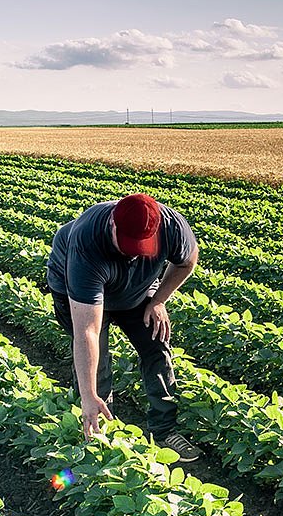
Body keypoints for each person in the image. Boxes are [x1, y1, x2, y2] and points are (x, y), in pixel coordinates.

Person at [46, 192, 203, 462]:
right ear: (113, 224)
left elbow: (187, 261)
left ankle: (164, 430)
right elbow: (88, 332)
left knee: (157, 346)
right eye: (129, 244)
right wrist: (88, 395)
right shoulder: (87, 242)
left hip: (137, 289)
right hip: (79, 291)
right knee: (98, 363)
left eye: (143, 246)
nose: (134, 252)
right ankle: (100, 431)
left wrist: (159, 300)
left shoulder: (171, 226)